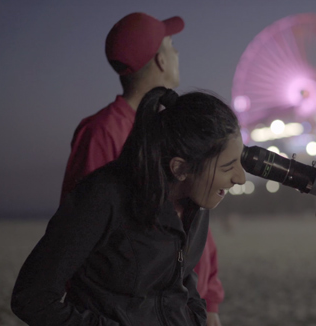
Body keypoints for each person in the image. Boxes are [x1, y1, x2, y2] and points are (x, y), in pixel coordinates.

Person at [11, 87, 246, 325]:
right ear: (180, 168)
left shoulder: (195, 205)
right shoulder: (103, 197)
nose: (241, 178)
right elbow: (32, 298)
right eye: (227, 167)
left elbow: (180, 280)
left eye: (239, 161)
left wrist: (196, 316)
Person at [60, 13, 225, 325]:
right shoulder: (102, 132)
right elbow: (78, 233)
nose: (177, 54)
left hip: (185, 307)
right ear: (161, 60)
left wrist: (209, 298)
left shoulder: (175, 131)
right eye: (172, 46)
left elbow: (195, 221)